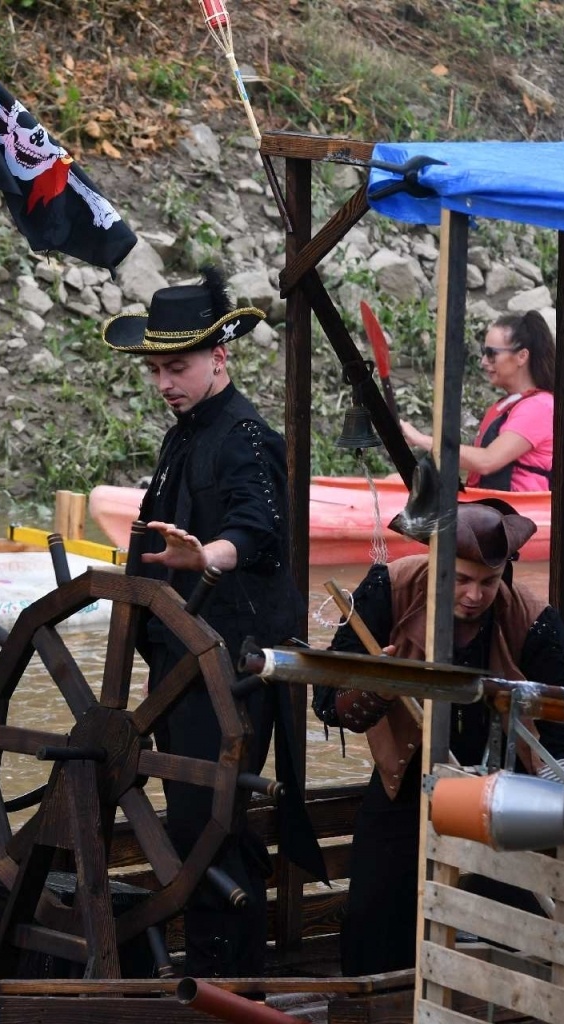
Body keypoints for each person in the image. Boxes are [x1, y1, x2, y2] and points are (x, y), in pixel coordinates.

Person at [103, 266, 326, 978]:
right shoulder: (184, 434)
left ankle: (229, 987)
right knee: (190, 822)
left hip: (229, 663)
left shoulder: (246, 436)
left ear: (219, 359)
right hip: (180, 663)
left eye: (179, 367)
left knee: (210, 825)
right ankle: (209, 977)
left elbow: (257, 529)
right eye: (157, 369)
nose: (165, 381)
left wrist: (209, 557)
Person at [311, 500, 564, 977]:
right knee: (373, 921)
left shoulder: (531, 617)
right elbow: (329, 702)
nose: (474, 595)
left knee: (521, 925)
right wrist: (379, 685)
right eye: (461, 580)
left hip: (502, 788)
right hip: (407, 779)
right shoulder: (389, 588)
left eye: (488, 582)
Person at [401, 310, 556, 491]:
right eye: (484, 352)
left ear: (522, 356)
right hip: (492, 506)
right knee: (396, 479)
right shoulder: (511, 404)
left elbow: (487, 461)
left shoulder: (539, 408)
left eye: (491, 353)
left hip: (514, 513)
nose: (483, 361)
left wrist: (421, 440)